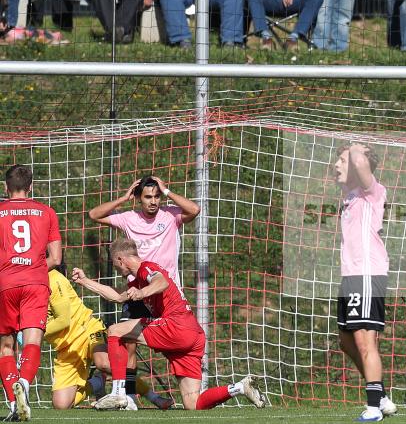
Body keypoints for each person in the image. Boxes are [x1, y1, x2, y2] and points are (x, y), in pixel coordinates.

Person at [72, 238, 267, 411]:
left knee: (115, 330)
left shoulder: (146, 268)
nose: (116, 269)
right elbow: (117, 296)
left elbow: (162, 282)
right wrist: (85, 281)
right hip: (193, 335)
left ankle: (118, 392)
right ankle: (240, 387)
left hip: (176, 325)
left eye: (115, 264)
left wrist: (142, 293)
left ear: (120, 259)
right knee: (193, 403)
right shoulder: (138, 281)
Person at [88, 175, 199, 405]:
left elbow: (194, 210)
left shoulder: (171, 215)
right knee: (127, 343)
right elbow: (94, 215)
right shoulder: (129, 218)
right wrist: (123, 198)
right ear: (139, 199)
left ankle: (152, 394)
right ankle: (127, 396)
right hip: (138, 290)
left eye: (157, 196)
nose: (153, 201)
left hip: (163, 292)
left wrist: (167, 191)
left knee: (164, 341)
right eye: (148, 197)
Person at [44, 264, 174, 410]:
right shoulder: (25, 289)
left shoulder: (53, 278)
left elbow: (63, 320)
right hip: (66, 347)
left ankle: (152, 396)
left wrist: (34, 333)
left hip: (87, 329)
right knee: (61, 405)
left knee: (105, 364)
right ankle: (98, 383)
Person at [332, 144, 397, 422]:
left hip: (367, 275)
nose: (336, 164)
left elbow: (360, 162)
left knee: (365, 340)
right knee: (346, 341)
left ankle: (373, 409)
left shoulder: (373, 190)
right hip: (351, 276)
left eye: (342, 160)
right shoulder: (350, 196)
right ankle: (379, 395)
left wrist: (354, 148)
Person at [0, 165, 62, 422]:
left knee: (6, 347)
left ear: (6, 187)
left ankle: (14, 404)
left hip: (5, 283)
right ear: (31, 187)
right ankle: (24, 384)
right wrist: (31, 268)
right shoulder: (47, 212)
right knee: (32, 342)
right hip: (36, 283)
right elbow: (56, 258)